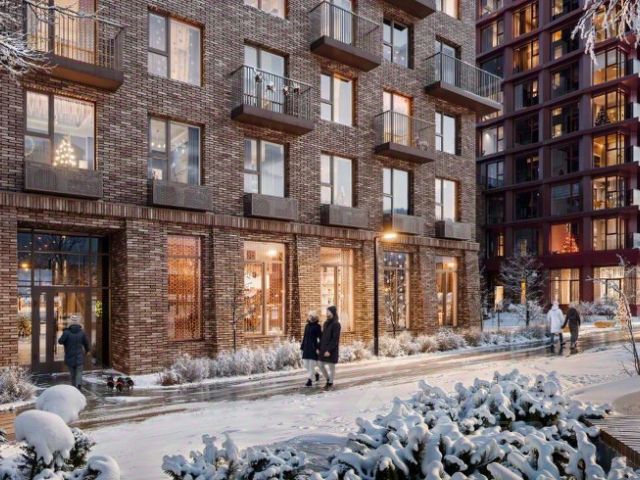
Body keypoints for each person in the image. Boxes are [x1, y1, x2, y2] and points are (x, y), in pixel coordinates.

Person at [58, 320, 90, 390]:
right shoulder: (82, 333)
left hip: (69, 356)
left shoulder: (66, 333)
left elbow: (60, 341)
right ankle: (79, 384)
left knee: (72, 374)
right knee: (79, 372)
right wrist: (87, 350)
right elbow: (86, 343)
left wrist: (64, 332)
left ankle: (73, 387)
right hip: (79, 356)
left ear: (70, 326)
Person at [319, 305, 341, 389]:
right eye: (326, 311)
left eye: (328, 311)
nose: (327, 313)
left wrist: (329, 350)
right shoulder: (326, 323)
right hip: (323, 348)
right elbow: (323, 336)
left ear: (332, 312)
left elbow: (335, 339)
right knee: (320, 364)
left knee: (331, 366)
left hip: (331, 349)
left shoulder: (336, 324)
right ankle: (328, 379)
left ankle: (330, 383)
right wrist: (319, 347)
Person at [300, 310, 322, 387]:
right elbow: (304, 337)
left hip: (313, 348)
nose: (309, 317)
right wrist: (302, 347)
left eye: (310, 316)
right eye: (309, 316)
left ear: (314, 317)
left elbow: (320, 338)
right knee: (306, 365)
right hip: (306, 348)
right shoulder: (307, 326)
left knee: (311, 365)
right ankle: (316, 374)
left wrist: (318, 348)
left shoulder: (317, 326)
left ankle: (309, 380)